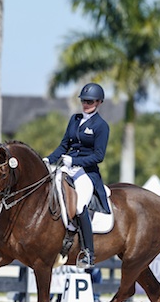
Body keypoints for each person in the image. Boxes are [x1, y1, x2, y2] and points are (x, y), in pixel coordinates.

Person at [43, 82, 110, 269]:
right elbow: (64, 145)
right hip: (66, 166)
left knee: (79, 206)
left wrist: (76, 162)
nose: (85, 104)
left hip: (86, 173)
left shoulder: (101, 126)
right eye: (83, 101)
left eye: (89, 101)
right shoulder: (74, 119)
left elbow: (99, 156)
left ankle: (88, 252)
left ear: (99, 102)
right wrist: (49, 159)